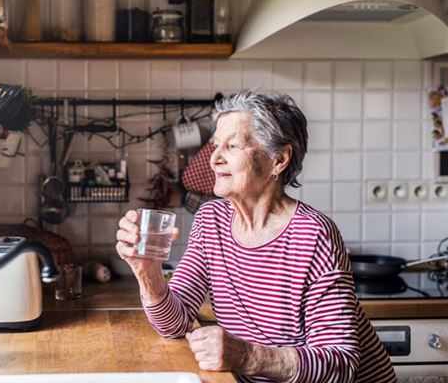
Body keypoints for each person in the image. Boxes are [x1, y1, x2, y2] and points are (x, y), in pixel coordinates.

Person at [115, 90, 396, 383]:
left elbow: (340, 364)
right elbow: (175, 323)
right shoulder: (212, 221)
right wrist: (148, 274)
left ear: (278, 159)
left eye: (233, 146)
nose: (214, 159)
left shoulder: (313, 234)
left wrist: (246, 356)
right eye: (215, 145)